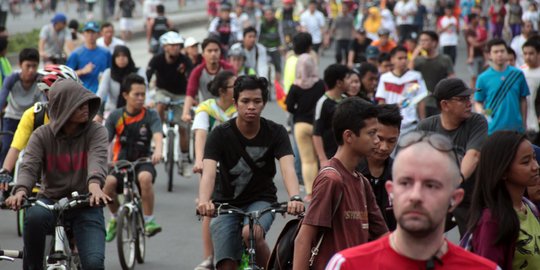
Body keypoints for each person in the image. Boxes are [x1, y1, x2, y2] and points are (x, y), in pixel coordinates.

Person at [326, 131, 498, 270]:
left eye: (431, 185)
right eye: (405, 183)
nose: (415, 196)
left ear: (455, 198)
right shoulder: (347, 265)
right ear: (391, 191)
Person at [196, 75, 305, 270]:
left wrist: (295, 197)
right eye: (245, 101)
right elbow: (209, 172)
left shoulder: (276, 132)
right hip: (225, 203)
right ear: (235, 103)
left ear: (264, 103)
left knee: (252, 234)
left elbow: (288, 167)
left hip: (261, 200)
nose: (251, 106)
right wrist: (205, 201)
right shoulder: (219, 134)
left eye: (257, 101)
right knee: (226, 264)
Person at [4, 79, 111, 270]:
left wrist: (94, 186)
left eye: (87, 102)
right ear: (64, 107)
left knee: (94, 264)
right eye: (79, 104)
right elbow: (29, 167)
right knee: (34, 217)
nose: (86, 107)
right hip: (49, 202)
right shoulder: (41, 135)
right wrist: (20, 191)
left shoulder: (97, 132)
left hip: (86, 203)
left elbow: (98, 160)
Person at [293, 97, 388, 270]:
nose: (377, 141)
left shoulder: (362, 182)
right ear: (349, 136)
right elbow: (304, 239)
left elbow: (383, 237)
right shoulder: (331, 179)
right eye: (371, 133)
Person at [417, 78, 488, 235]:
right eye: (462, 99)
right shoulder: (426, 127)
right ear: (445, 105)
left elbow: (474, 155)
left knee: (472, 246)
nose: (469, 103)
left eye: (468, 98)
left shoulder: (477, 121)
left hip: (470, 198)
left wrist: (457, 181)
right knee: (422, 235)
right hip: (437, 196)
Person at [467, 131, 540, 270]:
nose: (535, 166)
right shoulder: (492, 221)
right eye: (526, 162)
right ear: (503, 171)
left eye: (534, 158)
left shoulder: (531, 208)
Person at [103, 74, 163, 240]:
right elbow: (103, 141)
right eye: (136, 94)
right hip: (120, 162)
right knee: (108, 184)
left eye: (143, 94)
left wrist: (158, 151)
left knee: (144, 178)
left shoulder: (151, 115)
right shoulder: (115, 116)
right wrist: (99, 159)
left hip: (144, 161)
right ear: (125, 95)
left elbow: (158, 135)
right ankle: (115, 218)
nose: (140, 98)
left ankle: (149, 220)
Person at [0, 65, 80, 189]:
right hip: (37, 185)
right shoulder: (33, 115)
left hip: (72, 184)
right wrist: (5, 171)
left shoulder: (81, 116)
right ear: (48, 92)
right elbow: (15, 148)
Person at [192, 70, 237, 270]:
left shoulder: (241, 108)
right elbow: (201, 135)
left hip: (237, 166)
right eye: (234, 86)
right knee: (209, 208)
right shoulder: (206, 109)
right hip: (213, 165)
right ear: (222, 91)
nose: (238, 89)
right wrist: (200, 160)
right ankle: (209, 257)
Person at [146, 31, 192, 176]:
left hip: (181, 94)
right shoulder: (157, 59)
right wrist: (148, 98)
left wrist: (192, 96)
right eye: (172, 46)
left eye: (177, 45)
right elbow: (146, 78)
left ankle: (184, 161)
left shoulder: (185, 60)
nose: (175, 48)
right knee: (160, 105)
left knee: (183, 127)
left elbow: (192, 79)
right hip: (162, 91)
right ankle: (157, 133)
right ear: (165, 47)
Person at [286, 53, 325, 202]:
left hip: (301, 125)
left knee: (307, 161)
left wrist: (298, 113)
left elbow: (289, 106)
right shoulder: (320, 84)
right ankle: (321, 190)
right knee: (321, 157)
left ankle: (310, 193)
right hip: (317, 126)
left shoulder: (295, 86)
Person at [357, 104, 401, 230]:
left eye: (391, 141)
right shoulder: (349, 171)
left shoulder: (400, 175)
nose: (384, 147)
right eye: (379, 139)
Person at [474, 39, 529, 135]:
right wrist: (483, 112)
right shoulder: (482, 78)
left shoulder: (517, 74)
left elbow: (523, 100)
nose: (499, 54)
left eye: (502, 51)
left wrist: (524, 123)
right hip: (492, 130)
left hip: (516, 129)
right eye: (496, 52)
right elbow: (478, 102)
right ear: (489, 55)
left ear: (507, 53)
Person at [0, 48, 41, 165]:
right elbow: (2, 99)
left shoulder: (41, 80)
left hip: (32, 120)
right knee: (6, 148)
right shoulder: (11, 79)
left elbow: (46, 101)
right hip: (12, 119)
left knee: (36, 150)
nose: (31, 70)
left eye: (34, 66)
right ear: (20, 65)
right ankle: (3, 176)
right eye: (28, 66)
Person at [376, 46, 428, 134]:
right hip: (391, 125)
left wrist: (423, 122)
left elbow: (421, 100)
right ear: (392, 60)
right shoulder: (385, 78)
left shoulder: (416, 76)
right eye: (400, 58)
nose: (403, 61)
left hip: (412, 125)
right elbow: (381, 102)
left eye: (405, 58)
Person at [182, 37, 234, 123]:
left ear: (220, 52)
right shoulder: (197, 71)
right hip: (206, 111)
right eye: (209, 51)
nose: (213, 54)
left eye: (216, 50)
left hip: (228, 112)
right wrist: (185, 113)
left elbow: (238, 91)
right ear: (203, 54)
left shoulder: (228, 69)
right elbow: (190, 94)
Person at [410, 30, 454, 117]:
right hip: (422, 101)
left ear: (434, 43)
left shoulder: (445, 59)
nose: (422, 43)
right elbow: (408, 74)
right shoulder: (418, 60)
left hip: (439, 100)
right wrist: (415, 53)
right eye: (421, 41)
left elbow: (451, 77)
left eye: (426, 40)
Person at [96, 45, 146, 121]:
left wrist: (148, 102)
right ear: (114, 59)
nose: (121, 59)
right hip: (112, 111)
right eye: (118, 56)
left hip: (135, 111)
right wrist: (96, 110)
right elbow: (101, 94)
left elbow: (146, 91)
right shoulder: (108, 73)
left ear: (129, 57)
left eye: (124, 56)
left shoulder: (138, 72)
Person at [313, 64, 350, 166]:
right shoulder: (323, 102)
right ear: (338, 82)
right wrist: (322, 159)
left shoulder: (346, 100)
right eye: (347, 78)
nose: (350, 81)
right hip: (329, 155)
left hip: (345, 153)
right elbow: (317, 133)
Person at [66, 21, 112, 94]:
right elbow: (66, 75)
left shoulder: (106, 53)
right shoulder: (76, 54)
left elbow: (112, 72)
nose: (90, 35)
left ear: (98, 34)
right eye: (87, 32)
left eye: (93, 32)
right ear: (83, 34)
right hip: (83, 96)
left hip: (103, 95)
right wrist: (82, 71)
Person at [259, 6, 284, 83]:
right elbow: (258, 36)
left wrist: (282, 46)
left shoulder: (278, 23)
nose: (269, 16)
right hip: (265, 48)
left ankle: (277, 85)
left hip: (276, 48)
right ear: (264, 15)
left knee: (278, 67)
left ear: (273, 14)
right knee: (264, 68)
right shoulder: (261, 24)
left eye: (270, 14)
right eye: (267, 14)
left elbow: (281, 34)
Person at [522, 38, 540, 142]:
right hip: (525, 126)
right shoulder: (520, 73)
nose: (528, 57)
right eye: (525, 53)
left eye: (531, 53)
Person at [464, 13, 486, 89]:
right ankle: (472, 95)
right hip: (474, 57)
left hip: (481, 55)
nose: (478, 20)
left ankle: (480, 93)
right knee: (474, 76)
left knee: (481, 76)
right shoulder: (469, 31)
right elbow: (473, 43)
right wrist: (484, 42)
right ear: (472, 19)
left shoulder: (480, 30)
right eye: (476, 18)